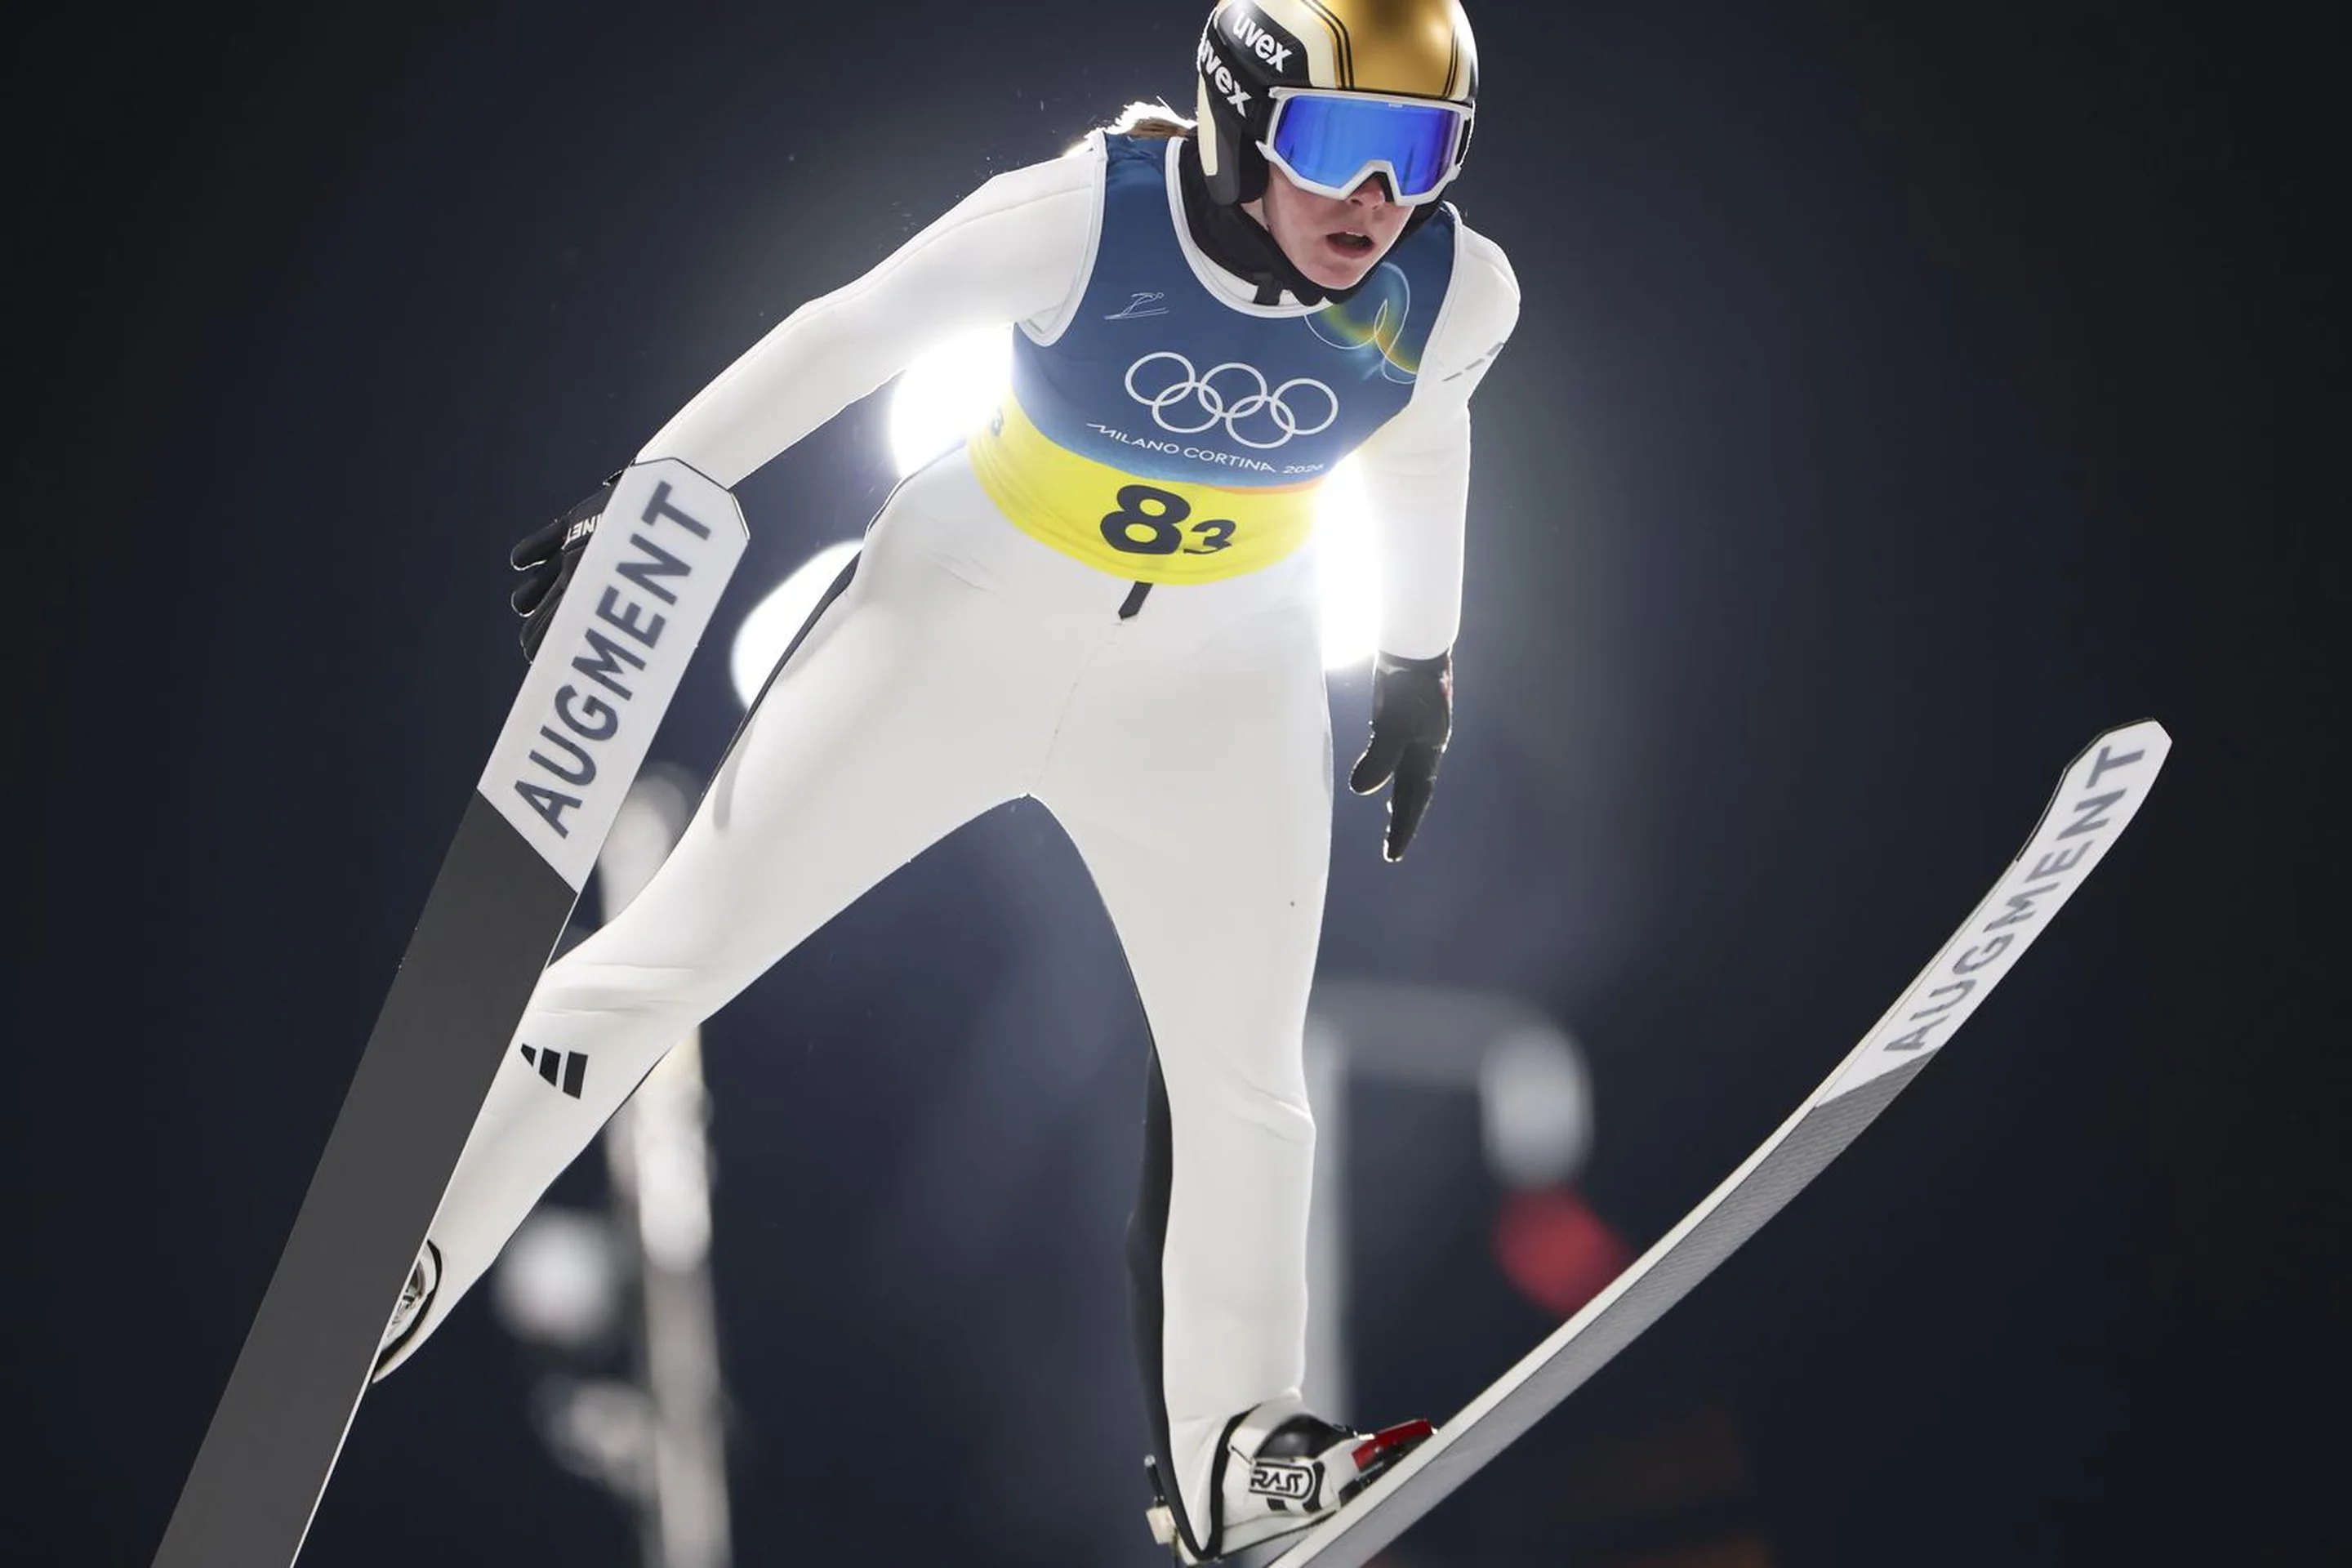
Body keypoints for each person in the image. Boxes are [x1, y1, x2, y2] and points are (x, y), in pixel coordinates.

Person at [376, 2, 1517, 1559]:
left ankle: (1234, 1448)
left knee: (1250, 1084)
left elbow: (1428, 443)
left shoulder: (1451, 295)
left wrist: (1418, 663)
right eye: (1340, 148)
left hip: (1220, 684)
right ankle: (417, 1237)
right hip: (956, 627)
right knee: (671, 953)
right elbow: (847, 336)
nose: (1378, 206)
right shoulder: (1075, 219)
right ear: (1243, 118)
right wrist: (663, 490)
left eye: (1423, 158)